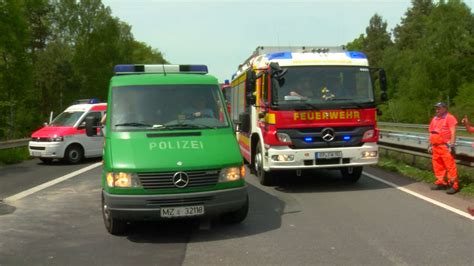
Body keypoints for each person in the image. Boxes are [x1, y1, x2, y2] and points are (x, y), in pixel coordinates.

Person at [428, 102, 459, 194]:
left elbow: (453, 132)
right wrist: (430, 144)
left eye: (439, 108)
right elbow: (432, 132)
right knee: (438, 166)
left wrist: (452, 145)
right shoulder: (435, 118)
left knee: (450, 166)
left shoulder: (450, 118)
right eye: (436, 108)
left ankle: (454, 185)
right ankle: (441, 183)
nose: (437, 110)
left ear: (445, 108)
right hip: (436, 147)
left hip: (445, 147)